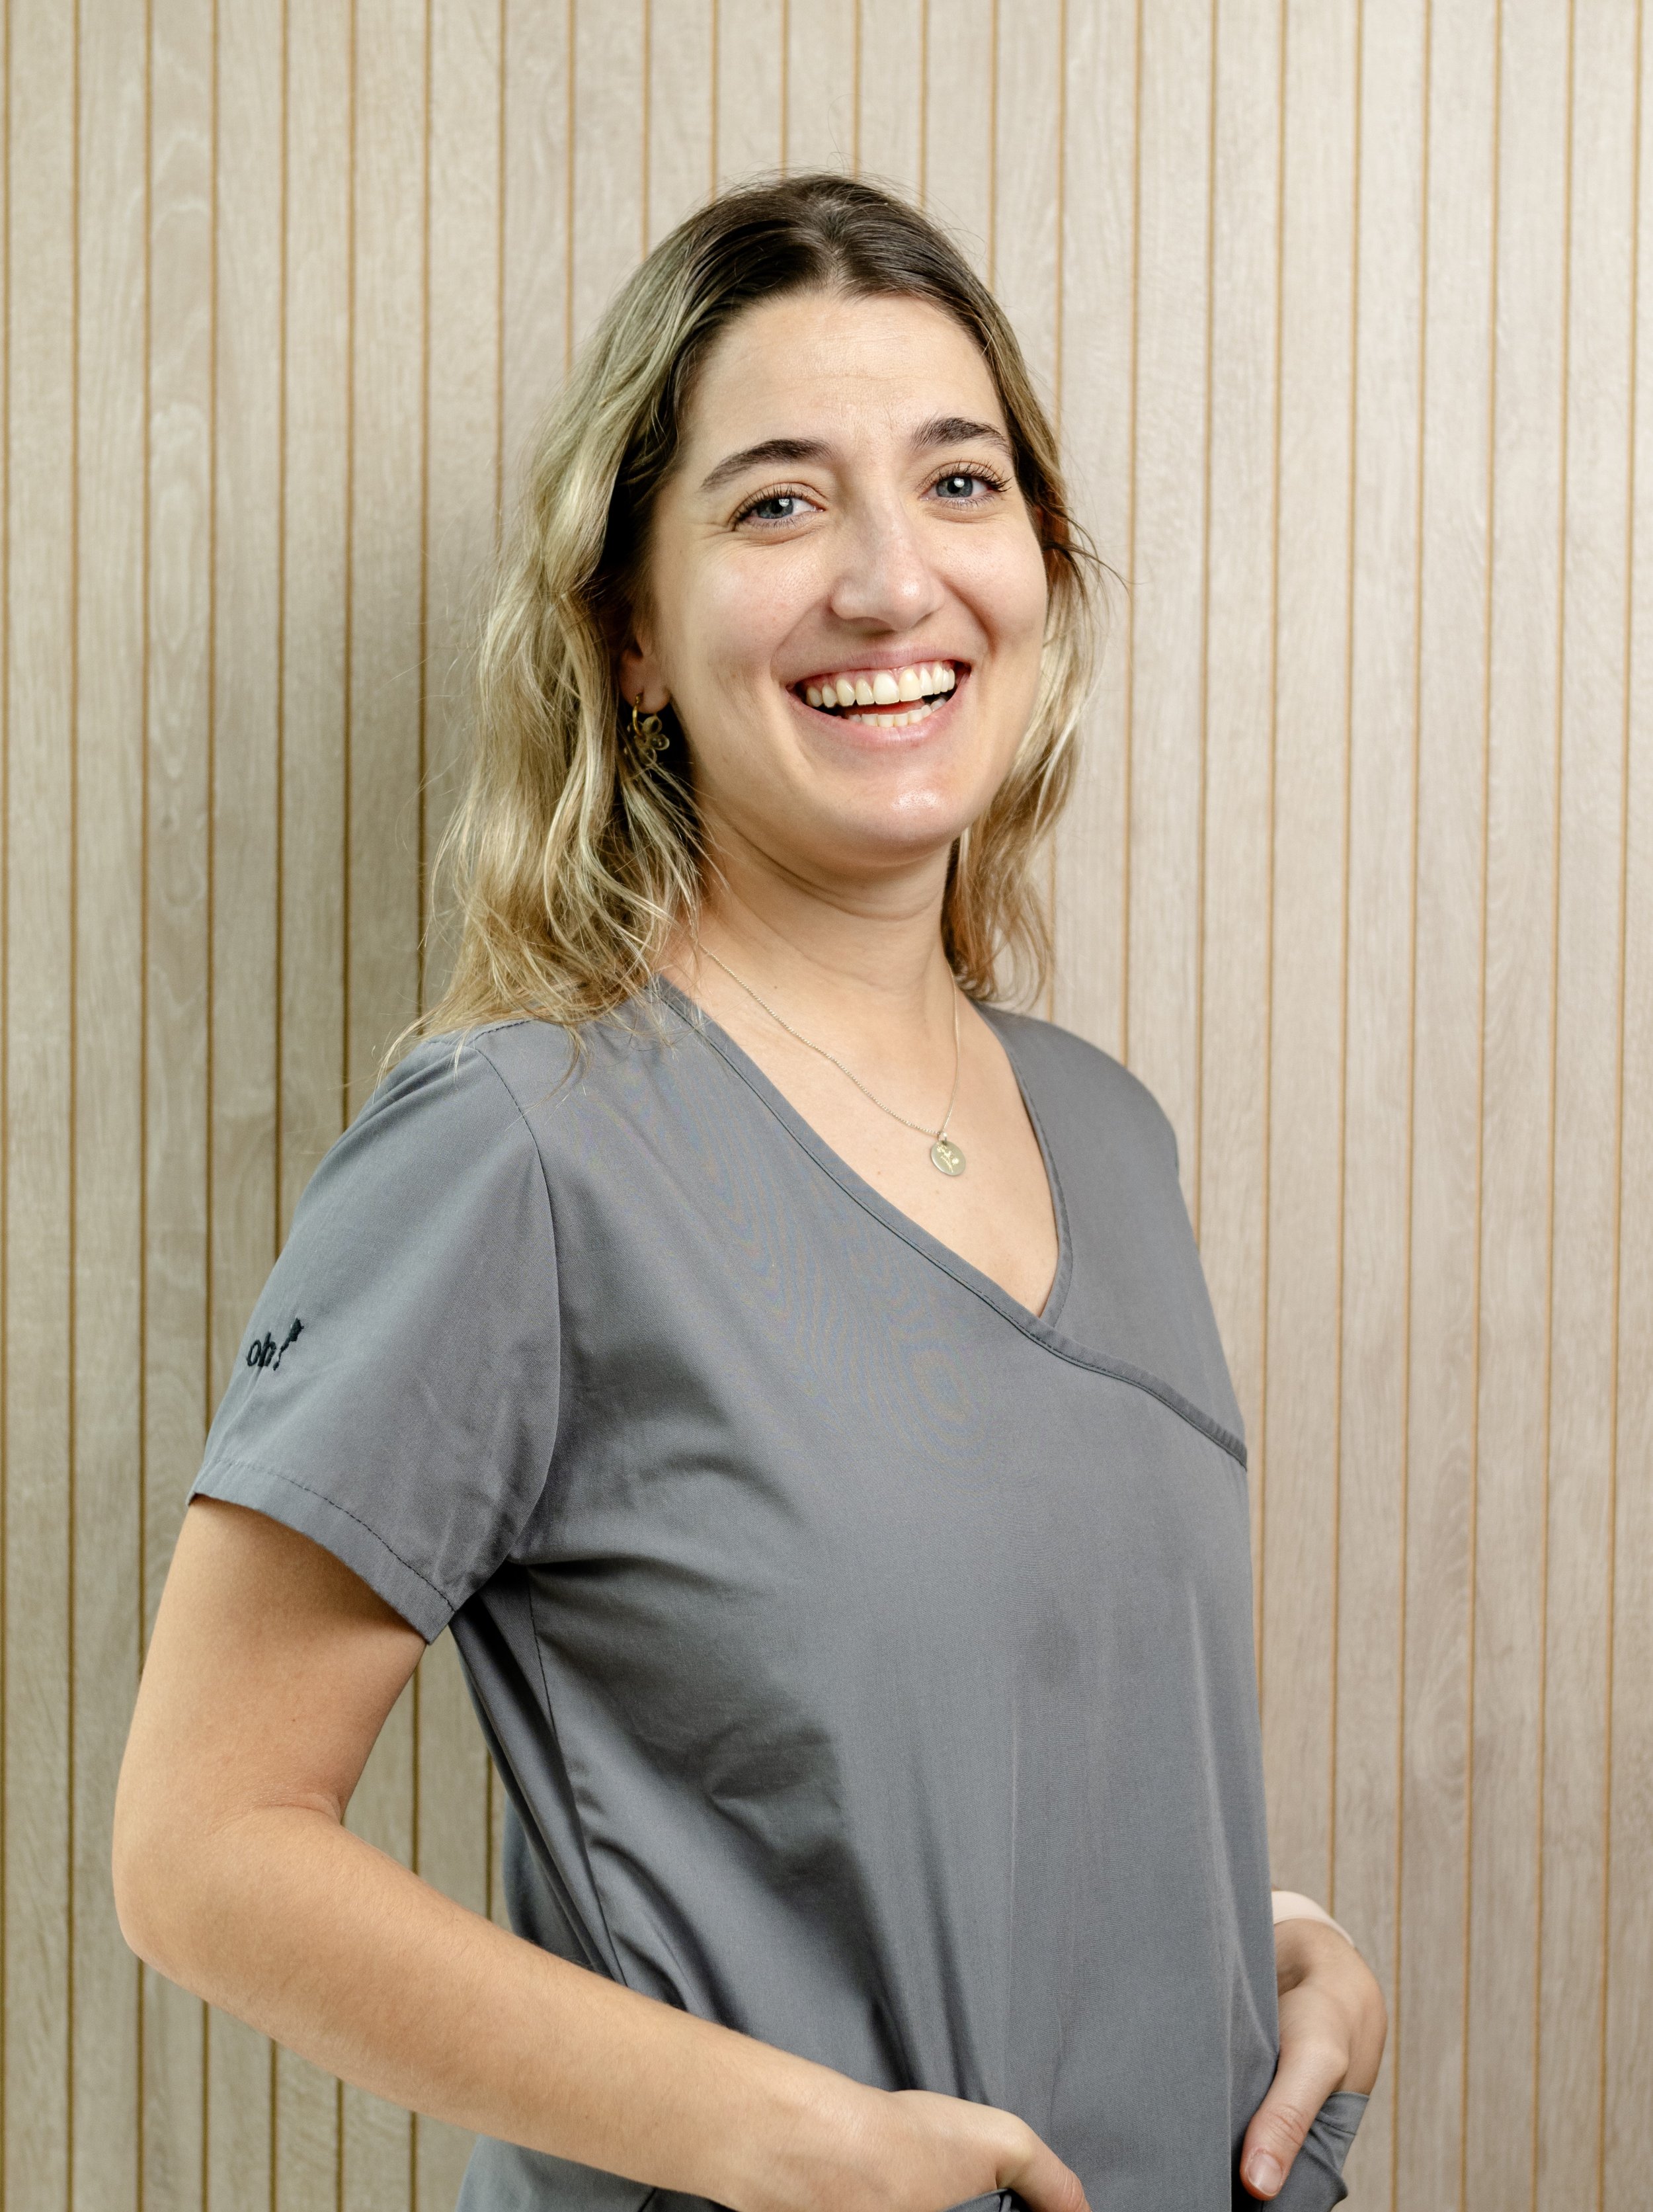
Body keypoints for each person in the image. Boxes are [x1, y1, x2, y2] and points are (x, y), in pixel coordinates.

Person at [113, 173, 1385, 2211]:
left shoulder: (1111, 1137)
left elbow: (963, 1781)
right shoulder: (520, 1147)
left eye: (956, 483)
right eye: (779, 504)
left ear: (1037, 566)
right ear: (628, 628)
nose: (891, 582)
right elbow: (202, 1850)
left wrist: (1262, 1953)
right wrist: (779, 2138)